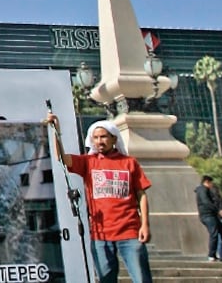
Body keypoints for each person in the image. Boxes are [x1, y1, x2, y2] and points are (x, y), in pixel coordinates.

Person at [46, 114, 152, 283]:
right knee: (105, 279)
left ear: (113, 138)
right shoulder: (88, 162)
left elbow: (142, 195)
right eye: (95, 138)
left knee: (141, 278)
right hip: (100, 234)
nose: (99, 141)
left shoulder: (129, 162)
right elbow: (61, 158)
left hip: (130, 232)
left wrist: (145, 225)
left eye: (103, 137)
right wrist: (55, 131)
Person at [195, 175, 222, 262]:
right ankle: (211, 255)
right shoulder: (202, 190)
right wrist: (217, 209)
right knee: (214, 234)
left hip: (211, 215)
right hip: (208, 215)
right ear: (207, 182)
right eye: (211, 183)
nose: (212, 185)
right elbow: (206, 202)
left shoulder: (206, 191)